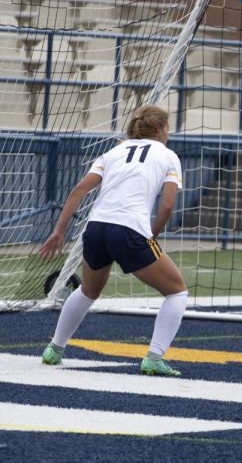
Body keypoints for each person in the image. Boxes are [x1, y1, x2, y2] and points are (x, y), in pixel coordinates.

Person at [38, 105, 189, 377]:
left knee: (87, 291)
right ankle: (154, 357)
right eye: (167, 127)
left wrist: (58, 231)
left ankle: (54, 349)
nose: (169, 132)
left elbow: (78, 190)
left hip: (96, 229)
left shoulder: (113, 152)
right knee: (177, 291)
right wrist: (151, 236)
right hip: (130, 231)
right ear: (158, 130)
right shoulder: (168, 156)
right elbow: (167, 206)